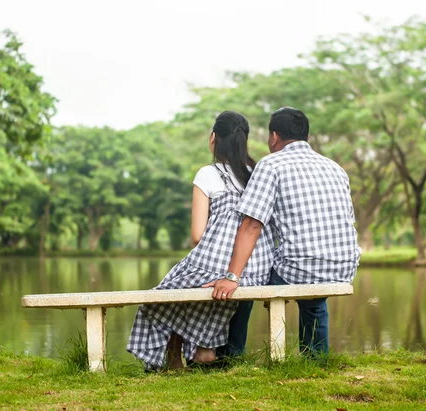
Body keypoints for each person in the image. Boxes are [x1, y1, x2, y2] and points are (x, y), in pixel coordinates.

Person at [206, 107, 361, 356]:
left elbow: (252, 224)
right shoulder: (335, 168)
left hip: (298, 268)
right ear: (306, 137)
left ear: (274, 137)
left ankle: (230, 356)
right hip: (342, 267)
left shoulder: (271, 165)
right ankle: (316, 359)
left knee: (247, 281)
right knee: (313, 293)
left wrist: (232, 277)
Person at [127, 111, 275, 370]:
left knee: (167, 294)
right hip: (256, 268)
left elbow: (197, 236)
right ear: (245, 141)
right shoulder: (259, 173)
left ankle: (178, 358)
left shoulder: (208, 174)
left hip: (220, 264)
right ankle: (204, 348)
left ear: (213, 139)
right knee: (193, 289)